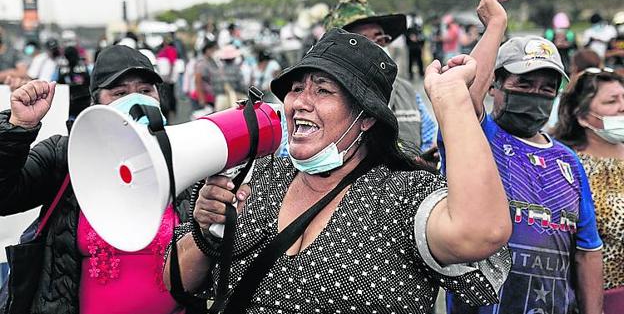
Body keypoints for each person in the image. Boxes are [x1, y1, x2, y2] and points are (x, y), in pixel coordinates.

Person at [164, 27, 512, 313]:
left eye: (323, 90)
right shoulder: (255, 179)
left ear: (366, 119)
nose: (300, 101)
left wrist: (452, 100)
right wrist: (208, 233)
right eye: (296, 88)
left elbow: (481, 232)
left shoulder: (401, 196)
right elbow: (174, 281)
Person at [0, 45, 191, 314]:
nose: (137, 101)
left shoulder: (186, 156)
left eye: (146, 91)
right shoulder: (64, 156)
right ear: (96, 103)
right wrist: (18, 128)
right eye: (120, 93)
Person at [444, 19, 604, 313]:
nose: (535, 94)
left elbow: (587, 252)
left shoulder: (568, 161)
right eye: (524, 84)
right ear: (495, 84)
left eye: (546, 89)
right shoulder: (476, 139)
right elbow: (459, 99)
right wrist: (495, 25)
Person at [324, 0, 430, 154]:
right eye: (363, 40)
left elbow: (430, 142)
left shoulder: (407, 92)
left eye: (380, 38)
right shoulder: (317, 99)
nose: (376, 47)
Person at [552, 68, 624, 294]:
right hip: (600, 297)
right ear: (582, 116)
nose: (623, 106)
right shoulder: (567, 167)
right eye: (612, 101)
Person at [405, 16, 426, 80]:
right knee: (411, 61)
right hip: (411, 47)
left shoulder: (418, 29)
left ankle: (421, 73)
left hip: (417, 47)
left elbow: (422, 38)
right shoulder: (409, 30)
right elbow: (406, 37)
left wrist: (420, 42)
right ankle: (411, 74)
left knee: (419, 61)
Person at [605, 11, 624, 76]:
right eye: (619, 25)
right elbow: (606, 54)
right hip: (617, 68)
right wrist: (617, 53)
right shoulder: (613, 40)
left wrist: (616, 52)